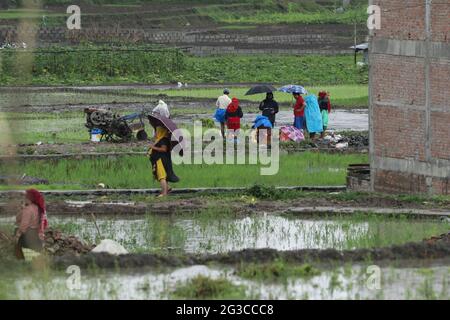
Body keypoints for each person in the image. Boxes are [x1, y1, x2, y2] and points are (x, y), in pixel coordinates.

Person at [148, 120, 179, 197]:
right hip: (160, 159)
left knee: (161, 176)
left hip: (160, 160)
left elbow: (164, 149)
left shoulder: (163, 140)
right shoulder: (161, 139)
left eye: (157, 131)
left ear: (161, 131)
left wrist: (153, 147)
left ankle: (164, 193)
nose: (156, 133)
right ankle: (167, 188)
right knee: (163, 176)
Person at [15, 189, 48, 260]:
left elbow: (23, 225)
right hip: (37, 236)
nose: (24, 198)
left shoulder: (28, 209)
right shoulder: (39, 208)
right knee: (35, 258)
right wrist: (22, 208)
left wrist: (17, 235)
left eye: (25, 197)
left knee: (22, 259)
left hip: (27, 236)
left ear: (28, 198)